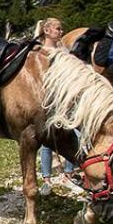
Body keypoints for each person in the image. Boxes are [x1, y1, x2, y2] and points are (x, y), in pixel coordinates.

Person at [33, 17, 78, 196]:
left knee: (70, 133)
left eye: (61, 29)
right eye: (58, 29)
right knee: (46, 141)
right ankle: (46, 178)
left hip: (63, 99)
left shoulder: (63, 50)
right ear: (48, 30)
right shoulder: (39, 52)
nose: (61, 32)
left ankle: (68, 173)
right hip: (47, 100)